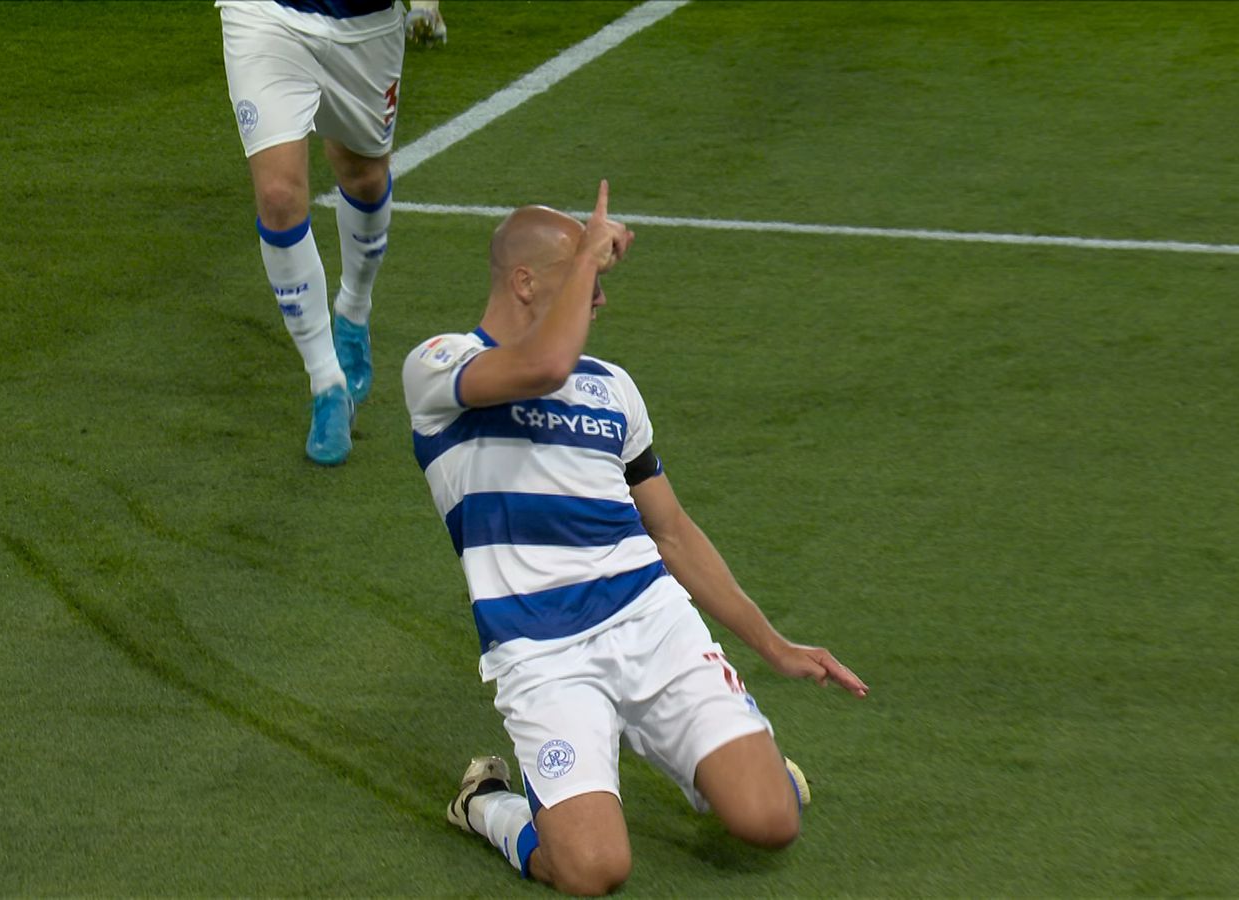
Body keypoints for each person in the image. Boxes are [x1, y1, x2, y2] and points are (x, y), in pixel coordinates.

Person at [401, 182, 869, 895]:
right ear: (526, 282)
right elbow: (541, 366)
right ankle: (488, 805)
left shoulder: (611, 388)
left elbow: (673, 532)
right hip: (543, 656)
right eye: (582, 277)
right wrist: (589, 253)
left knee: (771, 821)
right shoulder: (440, 365)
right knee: (593, 871)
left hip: (652, 626)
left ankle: (730, 769)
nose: (599, 297)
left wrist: (774, 645)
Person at [219, 0, 440, 466]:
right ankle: (327, 385)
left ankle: (354, 310)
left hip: (366, 27)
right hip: (267, 15)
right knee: (278, 197)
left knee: (363, 176)